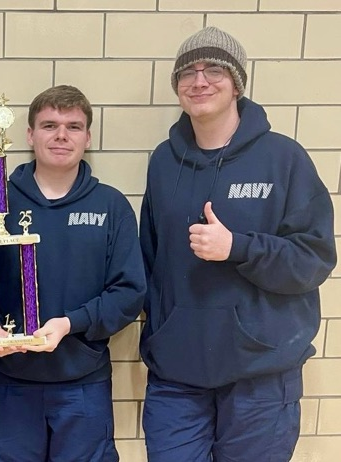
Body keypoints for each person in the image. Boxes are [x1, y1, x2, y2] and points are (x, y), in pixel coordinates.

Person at [139, 27, 337, 462]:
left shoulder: (284, 159)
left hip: (260, 378)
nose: (200, 80)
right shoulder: (162, 162)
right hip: (177, 376)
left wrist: (240, 248)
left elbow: (315, 259)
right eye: (188, 72)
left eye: (214, 70)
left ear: (237, 84)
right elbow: (149, 260)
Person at [0, 85, 146, 461]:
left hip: (83, 386)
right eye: (49, 125)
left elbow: (129, 293)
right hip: (8, 386)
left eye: (73, 126)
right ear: (29, 135)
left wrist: (71, 323)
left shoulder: (111, 207)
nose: (61, 135)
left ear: (88, 137)